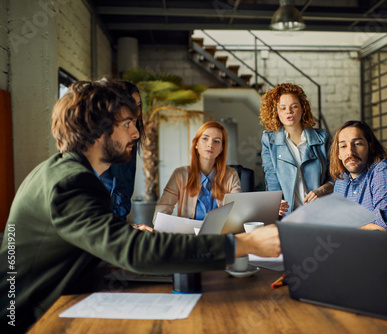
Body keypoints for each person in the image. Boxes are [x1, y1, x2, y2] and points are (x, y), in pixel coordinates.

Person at [0, 79, 280, 332]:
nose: (136, 134)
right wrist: (245, 244)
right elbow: (135, 252)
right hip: (25, 321)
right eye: (127, 125)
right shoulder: (71, 183)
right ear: (97, 129)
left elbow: (82, 237)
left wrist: (127, 229)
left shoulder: (57, 171)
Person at [260, 83, 333, 216]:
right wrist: (276, 202)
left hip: (321, 213)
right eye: (283, 108)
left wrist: (322, 190)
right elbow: (271, 179)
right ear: (275, 112)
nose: (289, 111)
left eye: (294, 106)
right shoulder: (269, 140)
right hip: (289, 216)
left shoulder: (322, 138)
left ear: (302, 109)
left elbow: (336, 178)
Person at [331, 120, 387, 230]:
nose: (350, 152)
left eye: (357, 144)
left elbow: (383, 228)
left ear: (371, 147)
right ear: (338, 154)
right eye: (343, 146)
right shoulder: (341, 180)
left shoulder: (383, 172)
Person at [153, 121, 241, 222]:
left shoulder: (231, 175)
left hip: (219, 235)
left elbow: (237, 211)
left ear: (221, 148)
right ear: (196, 144)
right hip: (189, 235)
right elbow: (162, 210)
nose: (210, 145)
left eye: (216, 141)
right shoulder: (180, 174)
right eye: (205, 139)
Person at [100, 81, 142, 220]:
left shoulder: (131, 141)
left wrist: (128, 228)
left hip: (117, 223)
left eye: (139, 105)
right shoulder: (100, 144)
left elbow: (125, 188)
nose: (136, 111)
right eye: (131, 104)